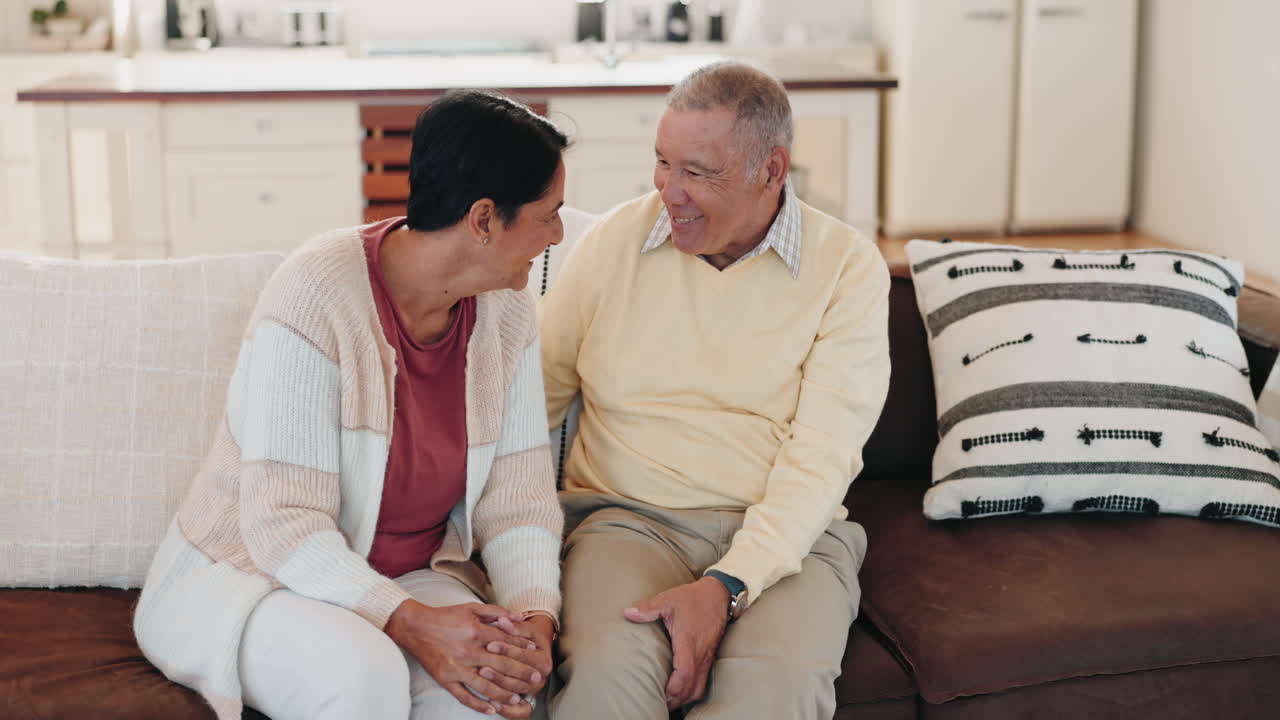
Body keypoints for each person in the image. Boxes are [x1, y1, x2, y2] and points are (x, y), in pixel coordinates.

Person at [134, 90, 569, 720]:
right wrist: (413, 623)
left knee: (490, 698)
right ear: (482, 220)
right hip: (259, 576)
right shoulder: (317, 294)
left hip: (411, 576)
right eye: (548, 214)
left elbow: (518, 500)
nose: (558, 235)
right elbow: (284, 525)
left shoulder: (506, 310)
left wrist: (532, 619)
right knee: (364, 675)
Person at [539, 62, 891, 719]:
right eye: (662, 163)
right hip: (625, 521)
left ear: (772, 170)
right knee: (606, 684)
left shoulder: (846, 267)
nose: (670, 191)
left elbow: (823, 457)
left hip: (792, 539)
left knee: (773, 695)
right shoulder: (612, 244)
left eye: (697, 172)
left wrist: (728, 584)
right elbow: (530, 403)